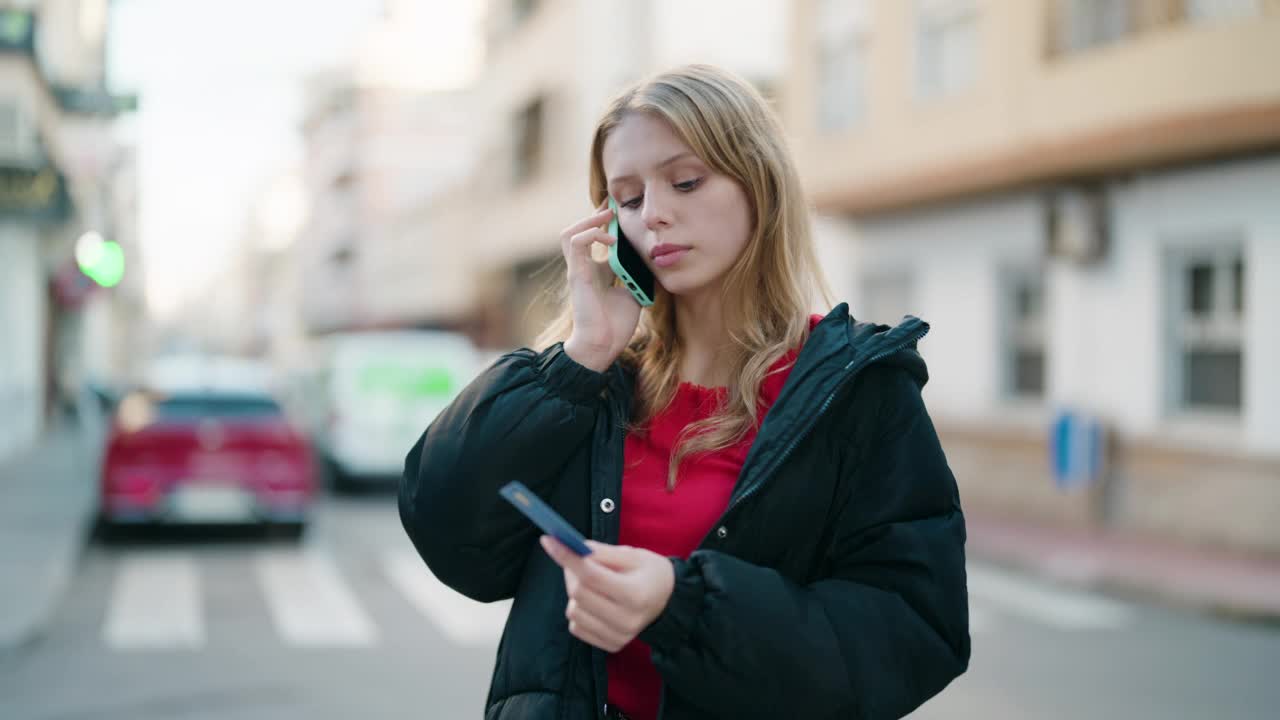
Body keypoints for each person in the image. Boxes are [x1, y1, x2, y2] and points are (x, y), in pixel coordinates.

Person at [400, 64, 969, 720]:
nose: (655, 215)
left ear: (760, 182)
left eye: (686, 180)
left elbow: (912, 634)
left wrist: (683, 602)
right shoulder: (591, 383)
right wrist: (583, 354)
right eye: (629, 197)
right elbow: (448, 536)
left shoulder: (858, 390)